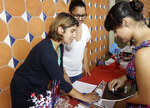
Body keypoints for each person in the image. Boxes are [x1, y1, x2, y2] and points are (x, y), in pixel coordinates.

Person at [10, 12, 100, 108]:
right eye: (72, 31)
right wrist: (83, 97)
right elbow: (60, 81)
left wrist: (66, 87)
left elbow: (59, 72)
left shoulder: (60, 46)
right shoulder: (46, 50)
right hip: (24, 88)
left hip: (39, 86)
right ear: (61, 29)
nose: (74, 36)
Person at [104, 0, 150, 107]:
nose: (115, 35)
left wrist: (113, 97)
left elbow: (145, 98)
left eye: (115, 30)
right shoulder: (140, 42)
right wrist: (124, 78)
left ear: (125, 22)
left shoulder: (144, 53)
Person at [63, 0, 91, 83]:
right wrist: (63, 74)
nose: (80, 19)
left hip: (78, 72)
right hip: (65, 73)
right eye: (77, 16)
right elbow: (56, 53)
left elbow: (85, 46)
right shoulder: (64, 30)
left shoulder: (85, 28)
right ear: (70, 13)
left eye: (83, 16)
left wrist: (85, 63)